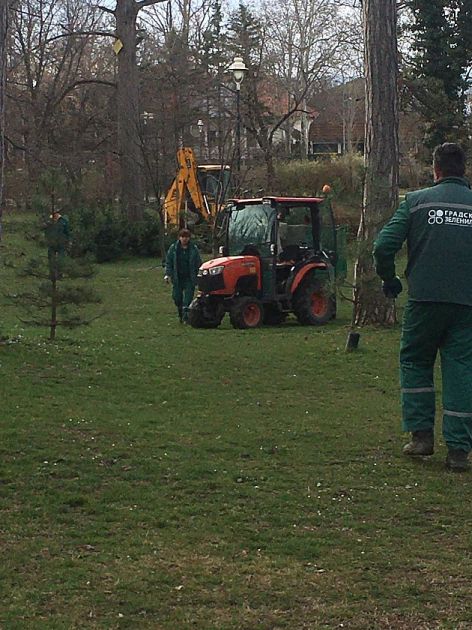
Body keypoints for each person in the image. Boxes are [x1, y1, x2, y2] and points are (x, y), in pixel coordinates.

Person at [373, 142, 472, 472]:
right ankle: (458, 451)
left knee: (415, 360)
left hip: (424, 301)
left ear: (436, 170)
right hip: (467, 305)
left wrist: (390, 279)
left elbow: (383, 245)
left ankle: (421, 437)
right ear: (464, 170)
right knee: (461, 370)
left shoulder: (415, 203)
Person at [164, 228, 202, 323]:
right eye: (182, 237)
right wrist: (168, 274)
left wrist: (199, 276)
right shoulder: (174, 249)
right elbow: (169, 262)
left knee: (188, 298)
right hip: (177, 277)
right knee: (177, 297)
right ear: (179, 238)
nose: (184, 239)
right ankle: (180, 312)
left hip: (190, 277)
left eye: (186, 237)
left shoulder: (194, 249)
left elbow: (198, 263)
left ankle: (186, 317)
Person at [45, 208, 71, 277]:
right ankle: (52, 273)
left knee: (61, 258)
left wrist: (68, 241)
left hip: (61, 243)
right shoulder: (49, 221)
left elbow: (67, 232)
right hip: (52, 243)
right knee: (51, 258)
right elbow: (47, 231)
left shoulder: (63, 222)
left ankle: (60, 273)